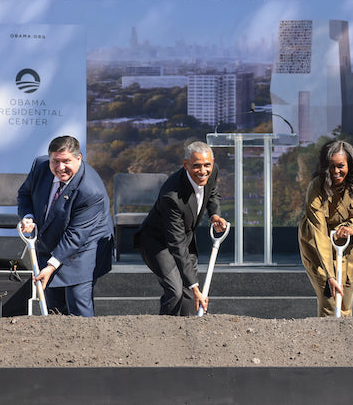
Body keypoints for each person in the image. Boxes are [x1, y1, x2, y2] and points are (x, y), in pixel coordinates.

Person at [17, 135, 114, 317]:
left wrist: (51, 265)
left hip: (85, 246)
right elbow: (24, 194)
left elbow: (76, 235)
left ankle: (86, 342)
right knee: (53, 301)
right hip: (52, 240)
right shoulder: (40, 166)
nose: (60, 167)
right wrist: (28, 216)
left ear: (79, 158)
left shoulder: (91, 191)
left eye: (66, 161)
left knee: (77, 302)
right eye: (55, 161)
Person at [135, 141, 228, 316]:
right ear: (185, 165)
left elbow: (212, 192)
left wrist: (214, 214)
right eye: (196, 166)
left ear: (213, 162)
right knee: (176, 291)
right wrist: (195, 289)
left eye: (207, 165)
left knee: (188, 292)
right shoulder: (172, 196)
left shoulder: (212, 171)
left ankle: (187, 334)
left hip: (184, 236)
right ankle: (166, 335)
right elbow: (176, 244)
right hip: (157, 242)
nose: (203, 171)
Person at [299, 140, 353, 317]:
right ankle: (326, 341)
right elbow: (318, 231)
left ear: (350, 164)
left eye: (341, 166)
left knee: (345, 301)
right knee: (330, 301)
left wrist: (352, 228)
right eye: (331, 167)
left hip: (347, 243)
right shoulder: (316, 187)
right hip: (318, 244)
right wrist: (331, 276)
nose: (335, 171)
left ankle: (344, 342)